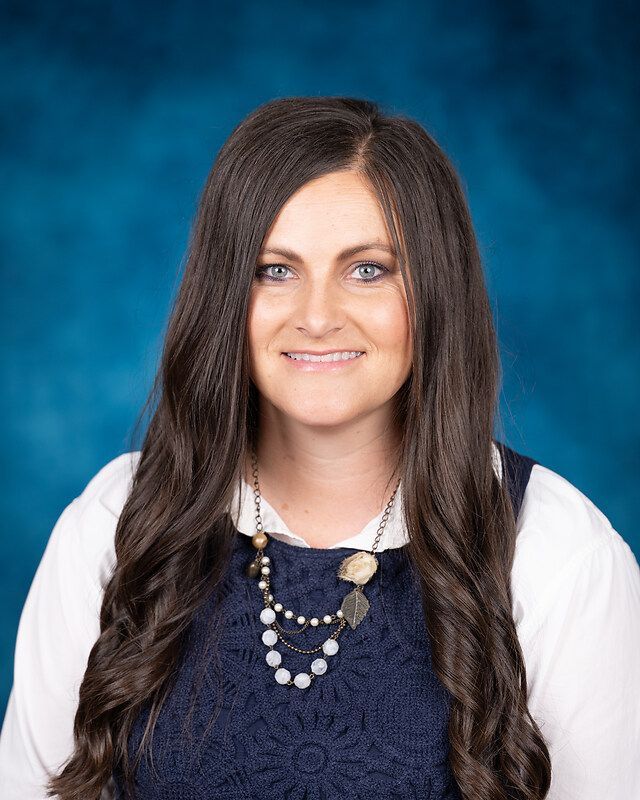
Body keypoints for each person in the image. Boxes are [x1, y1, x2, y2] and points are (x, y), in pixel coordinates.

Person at [1, 97, 639, 800]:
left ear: (434, 292)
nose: (316, 316)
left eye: (367, 269)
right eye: (275, 270)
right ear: (224, 295)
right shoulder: (117, 520)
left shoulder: (555, 548)